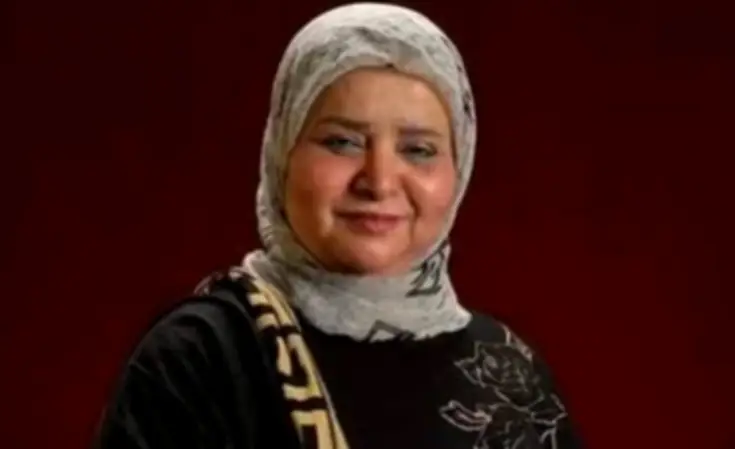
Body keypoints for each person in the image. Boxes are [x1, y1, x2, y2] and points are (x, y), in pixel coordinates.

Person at [92, 3, 583, 449]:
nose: (379, 181)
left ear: (460, 169)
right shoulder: (204, 359)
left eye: (418, 150)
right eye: (342, 142)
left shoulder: (510, 376)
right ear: (282, 155)